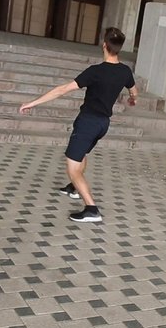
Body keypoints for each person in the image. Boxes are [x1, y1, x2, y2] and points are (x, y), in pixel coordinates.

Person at [19, 27, 138, 223]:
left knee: (73, 168)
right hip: (102, 125)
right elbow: (134, 92)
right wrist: (133, 100)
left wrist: (32, 103)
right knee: (81, 154)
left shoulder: (96, 72)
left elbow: (63, 90)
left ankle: (91, 209)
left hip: (88, 123)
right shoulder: (125, 72)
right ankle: (74, 188)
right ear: (118, 48)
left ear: (104, 45)